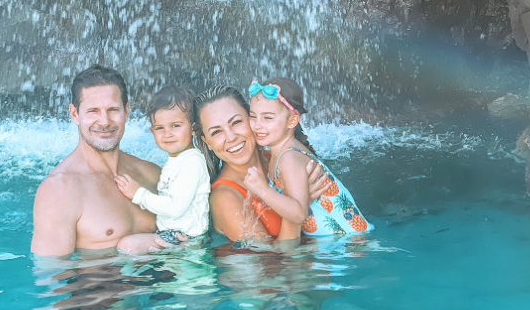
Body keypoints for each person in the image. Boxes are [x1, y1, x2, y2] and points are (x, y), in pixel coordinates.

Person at [31, 65, 176, 257]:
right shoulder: (59, 191)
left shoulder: (152, 173)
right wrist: (126, 253)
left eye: (113, 109)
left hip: (165, 284)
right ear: (75, 114)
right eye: (93, 111)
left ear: (127, 111)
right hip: (103, 286)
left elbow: (192, 234)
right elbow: (51, 275)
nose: (105, 121)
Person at [193, 85, 328, 244]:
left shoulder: (281, 157)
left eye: (236, 122)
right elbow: (272, 262)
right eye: (216, 132)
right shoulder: (225, 198)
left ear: (252, 119)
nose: (230, 137)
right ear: (206, 141)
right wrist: (299, 207)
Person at [245, 77, 373, 239]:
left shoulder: (289, 158)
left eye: (268, 118)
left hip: (350, 244)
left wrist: (263, 190)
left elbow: (298, 214)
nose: (257, 125)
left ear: (292, 121)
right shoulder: (281, 152)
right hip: (339, 245)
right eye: (253, 116)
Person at [113, 85, 210, 242]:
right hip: (175, 236)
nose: (167, 134)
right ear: (152, 132)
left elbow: (176, 208)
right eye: (160, 128)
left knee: (127, 246)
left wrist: (138, 194)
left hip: (187, 240)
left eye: (175, 126)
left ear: (194, 128)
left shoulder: (192, 162)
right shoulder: (177, 160)